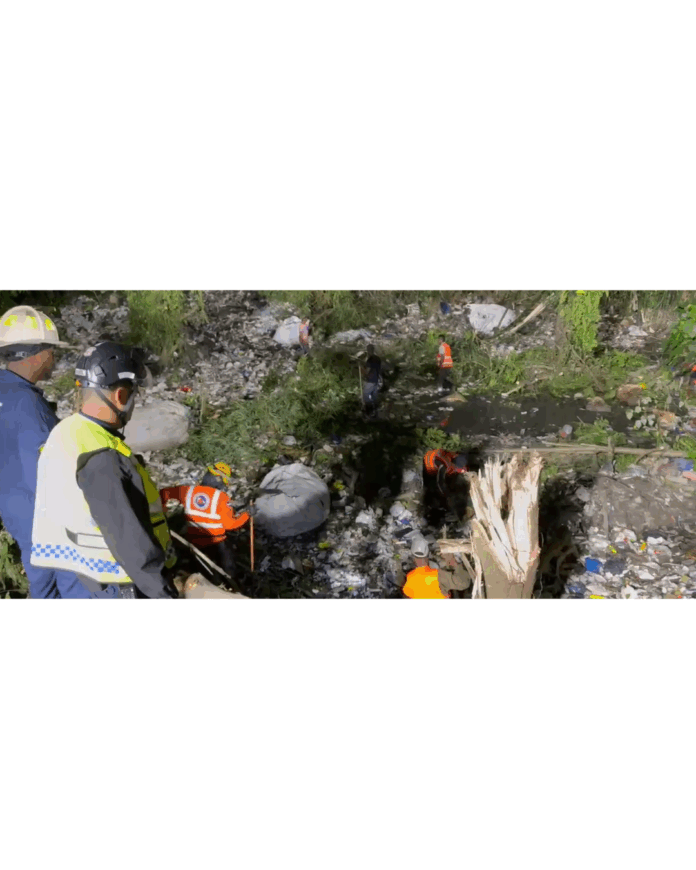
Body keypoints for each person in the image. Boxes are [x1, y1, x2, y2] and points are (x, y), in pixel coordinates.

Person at [31, 341, 180, 598]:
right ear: (120, 396)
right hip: (115, 584)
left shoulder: (67, 432)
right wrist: (163, 593)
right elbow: (130, 540)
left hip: (76, 576)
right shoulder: (102, 455)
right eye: (134, 394)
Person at [0, 304, 90, 598]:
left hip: (14, 512)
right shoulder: (29, 407)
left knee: (42, 581)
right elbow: (48, 473)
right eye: (52, 351)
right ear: (38, 354)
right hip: (44, 519)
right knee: (62, 586)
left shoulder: (5, 393)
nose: (54, 359)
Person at [160, 468, 254, 579]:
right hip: (216, 542)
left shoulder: (188, 491)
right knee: (228, 567)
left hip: (193, 541)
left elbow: (164, 493)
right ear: (219, 480)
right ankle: (230, 584)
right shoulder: (221, 498)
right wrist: (247, 514)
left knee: (198, 570)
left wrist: (162, 510)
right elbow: (230, 525)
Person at [401, 536, 471, 599]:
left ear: (413, 557)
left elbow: (408, 593)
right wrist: (454, 563)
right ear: (428, 554)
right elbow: (464, 583)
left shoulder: (409, 577)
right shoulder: (437, 575)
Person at [361, 344, 382, 417]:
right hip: (376, 380)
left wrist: (362, 370)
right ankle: (375, 412)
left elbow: (367, 371)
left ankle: (368, 412)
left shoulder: (370, 359)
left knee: (366, 396)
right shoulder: (378, 358)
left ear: (368, 350)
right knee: (374, 396)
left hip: (370, 380)